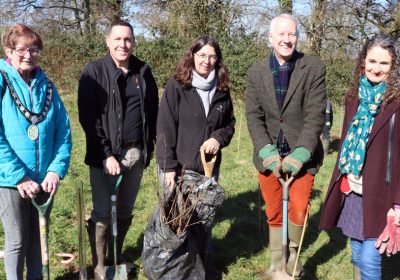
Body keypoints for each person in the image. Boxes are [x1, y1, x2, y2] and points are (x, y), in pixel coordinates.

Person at [246, 14, 326, 278]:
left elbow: (315, 115)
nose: (286, 39)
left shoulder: (313, 67)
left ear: (297, 37)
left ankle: (292, 257)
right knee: (273, 210)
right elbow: (253, 116)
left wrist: (301, 153)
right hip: (268, 155)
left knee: (299, 208)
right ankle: (276, 261)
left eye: (291, 34)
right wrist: (266, 151)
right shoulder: (256, 71)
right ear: (270, 38)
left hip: (303, 156)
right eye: (280, 34)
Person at [78, 21, 158, 279]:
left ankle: (115, 255)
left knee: (124, 211)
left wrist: (149, 147)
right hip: (106, 157)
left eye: (128, 39)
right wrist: (106, 155)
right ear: (108, 41)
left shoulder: (143, 70)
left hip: (136, 153)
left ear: (133, 42)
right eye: (118, 39)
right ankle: (100, 266)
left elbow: (153, 112)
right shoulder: (94, 71)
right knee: (103, 212)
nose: (123, 44)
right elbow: (88, 119)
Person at [320, 34, 400, 280]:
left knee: (369, 258)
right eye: (372, 61)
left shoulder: (397, 102)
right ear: (363, 61)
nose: (376, 69)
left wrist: (399, 205)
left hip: (384, 195)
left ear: (394, 67)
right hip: (353, 190)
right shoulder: (353, 98)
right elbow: (345, 141)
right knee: (356, 253)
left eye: (384, 64)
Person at [156, 35, 235, 278]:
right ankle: (174, 268)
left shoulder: (221, 89)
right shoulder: (177, 86)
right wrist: (168, 166)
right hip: (178, 167)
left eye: (212, 56)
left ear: (217, 59)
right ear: (193, 56)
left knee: (204, 218)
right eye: (202, 55)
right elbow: (165, 127)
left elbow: (230, 124)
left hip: (207, 168)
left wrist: (217, 139)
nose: (207, 61)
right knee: (176, 222)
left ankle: (202, 264)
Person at [0, 24, 72, 280]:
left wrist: (55, 170)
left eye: (34, 49)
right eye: (21, 49)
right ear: (9, 50)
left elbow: (63, 133)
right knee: (18, 241)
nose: (28, 55)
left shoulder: (47, 86)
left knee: (38, 240)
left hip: (43, 181)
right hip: (11, 182)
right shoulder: (1, 81)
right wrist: (19, 176)